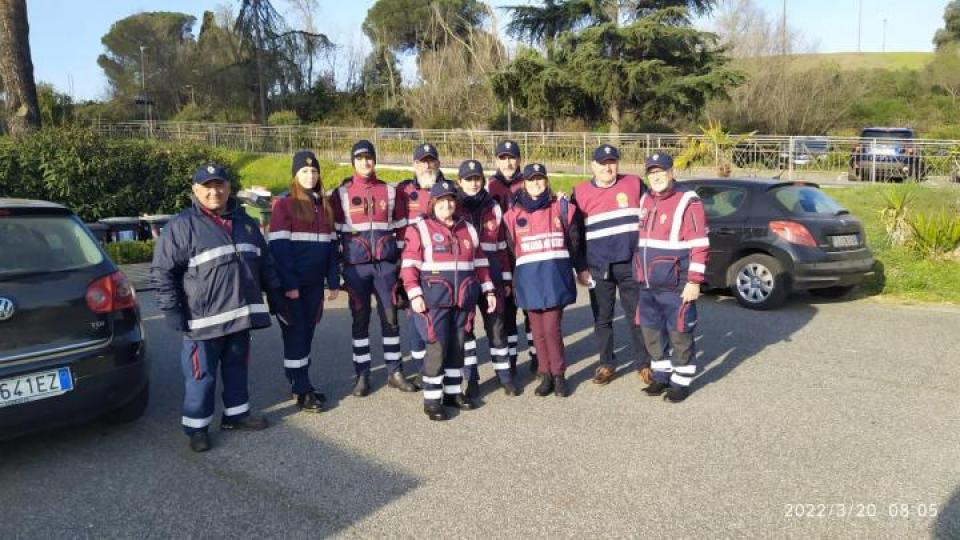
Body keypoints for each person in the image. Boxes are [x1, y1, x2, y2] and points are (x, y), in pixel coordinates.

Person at [152, 163, 282, 452]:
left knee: (237, 367)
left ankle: (236, 415)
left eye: (220, 184)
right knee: (202, 375)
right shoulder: (181, 226)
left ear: (229, 188)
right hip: (202, 321)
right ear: (195, 191)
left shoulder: (246, 222)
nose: (215, 191)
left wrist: (276, 296)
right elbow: (162, 272)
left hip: (240, 315)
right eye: (207, 186)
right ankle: (197, 429)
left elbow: (265, 263)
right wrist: (172, 310)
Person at [400, 179, 496, 420]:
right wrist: (414, 294)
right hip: (434, 299)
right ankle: (432, 399)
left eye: (451, 200)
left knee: (458, 345)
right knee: (437, 346)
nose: (447, 205)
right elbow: (409, 265)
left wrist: (489, 290)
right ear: (433, 203)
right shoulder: (420, 228)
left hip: (463, 298)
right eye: (441, 201)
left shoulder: (468, 229)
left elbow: (481, 263)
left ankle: (453, 393)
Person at [331, 140, 416, 396]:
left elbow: (402, 228)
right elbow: (334, 233)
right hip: (356, 268)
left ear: (374, 160)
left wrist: (400, 265)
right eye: (360, 158)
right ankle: (362, 374)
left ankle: (395, 371)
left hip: (386, 267)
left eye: (369, 157)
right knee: (360, 321)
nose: (365, 162)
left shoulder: (390, 191)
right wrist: (339, 267)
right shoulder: (341, 194)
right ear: (353, 162)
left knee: (390, 320)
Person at [572, 144, 653, 386]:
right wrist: (580, 267)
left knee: (636, 316)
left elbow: (653, 211)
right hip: (598, 267)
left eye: (612, 162)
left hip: (631, 264)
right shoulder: (580, 192)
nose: (608, 167)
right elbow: (575, 234)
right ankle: (607, 363)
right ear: (593, 166)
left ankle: (644, 363)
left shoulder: (634, 184)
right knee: (602, 319)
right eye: (603, 163)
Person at [502, 163, 585, 397]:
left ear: (546, 181)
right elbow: (510, 251)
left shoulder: (561, 207)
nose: (537, 183)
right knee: (536, 331)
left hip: (553, 278)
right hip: (529, 281)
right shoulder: (511, 216)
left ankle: (559, 375)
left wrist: (571, 268)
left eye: (541, 179)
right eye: (532, 179)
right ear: (524, 184)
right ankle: (545, 374)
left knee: (551, 329)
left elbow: (574, 241)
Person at [267, 150, 340, 412]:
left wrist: (333, 281)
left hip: (314, 287)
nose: (310, 175)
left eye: (314, 171)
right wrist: (290, 286)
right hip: (294, 287)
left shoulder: (324, 207)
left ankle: (300, 380)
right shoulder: (284, 205)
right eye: (304, 171)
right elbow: (280, 251)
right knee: (296, 335)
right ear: (295, 175)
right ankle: (301, 388)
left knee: (306, 334)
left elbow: (331, 249)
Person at [634, 153, 709, 403]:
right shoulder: (645, 198)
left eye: (661, 172)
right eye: (651, 173)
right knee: (652, 332)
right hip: (647, 283)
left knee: (679, 333)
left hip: (675, 283)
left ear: (671, 172)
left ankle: (681, 382)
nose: (656, 177)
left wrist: (694, 281)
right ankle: (661, 376)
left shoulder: (688, 200)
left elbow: (699, 243)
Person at [455, 159, 516, 397]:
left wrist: (507, 278)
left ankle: (505, 376)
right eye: (468, 179)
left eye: (477, 178)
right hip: (466, 275)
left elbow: (501, 247)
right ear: (460, 182)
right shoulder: (454, 206)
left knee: (497, 326)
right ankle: (471, 378)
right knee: (467, 329)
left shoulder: (494, 207)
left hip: (492, 273)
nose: (473, 183)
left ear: (483, 180)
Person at [486, 139, 536, 376]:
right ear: (496, 160)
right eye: (503, 157)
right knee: (507, 311)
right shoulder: (489, 186)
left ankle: (538, 356)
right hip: (500, 254)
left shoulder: (527, 184)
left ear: (519, 160)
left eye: (512, 157)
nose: (508, 162)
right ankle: (512, 357)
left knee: (532, 308)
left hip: (525, 252)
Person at [395, 143, 444, 377]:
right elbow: (396, 228)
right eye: (422, 161)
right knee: (415, 317)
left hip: (441, 267)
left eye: (431, 160)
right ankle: (422, 369)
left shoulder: (449, 189)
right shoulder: (403, 191)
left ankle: (442, 365)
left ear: (438, 163)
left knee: (440, 317)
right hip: (412, 266)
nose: (427, 165)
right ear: (414, 164)